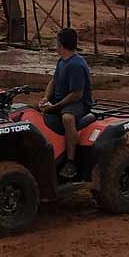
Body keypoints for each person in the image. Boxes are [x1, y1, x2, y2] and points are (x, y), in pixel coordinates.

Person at [38, 28, 93, 179]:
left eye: (57, 42)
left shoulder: (75, 65)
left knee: (67, 119)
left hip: (78, 103)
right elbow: (53, 81)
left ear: (61, 45)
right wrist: (46, 98)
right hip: (62, 99)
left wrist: (55, 107)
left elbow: (77, 94)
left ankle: (71, 161)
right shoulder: (62, 61)